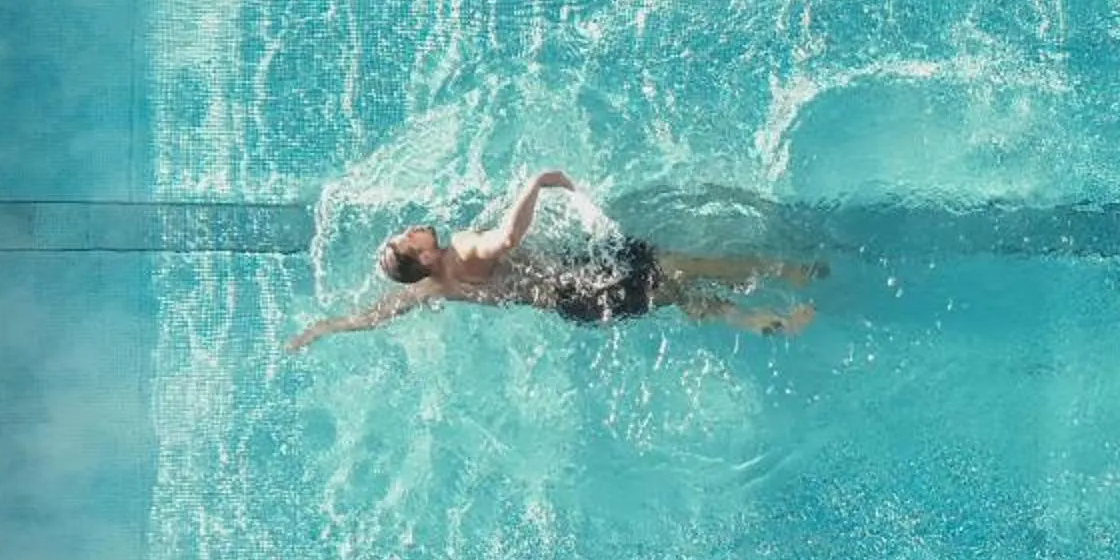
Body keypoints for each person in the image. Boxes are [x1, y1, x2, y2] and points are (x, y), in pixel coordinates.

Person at [285, 170, 821, 351]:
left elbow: (375, 315)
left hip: (571, 304)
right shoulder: (465, 249)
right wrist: (537, 183)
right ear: (423, 256)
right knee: (680, 264)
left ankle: (763, 322)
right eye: (408, 239)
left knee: (677, 296)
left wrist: (324, 329)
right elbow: (508, 238)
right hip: (579, 277)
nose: (410, 229)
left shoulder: (433, 288)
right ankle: (787, 273)